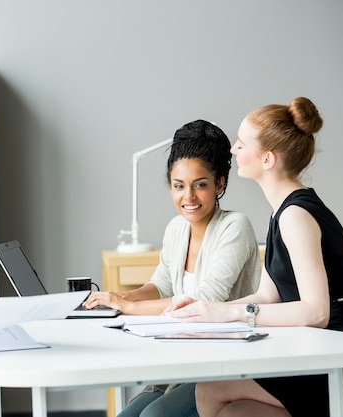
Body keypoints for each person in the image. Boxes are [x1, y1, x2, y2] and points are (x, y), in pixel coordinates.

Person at [168, 97, 343, 417]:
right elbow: (267, 295)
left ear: (267, 159)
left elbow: (316, 312)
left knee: (210, 388)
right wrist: (206, 310)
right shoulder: (283, 212)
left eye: (240, 143)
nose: (233, 150)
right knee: (234, 410)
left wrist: (231, 315)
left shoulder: (295, 215)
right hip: (321, 350)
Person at [84, 120, 261, 417]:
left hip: (225, 366)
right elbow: (161, 285)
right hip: (184, 361)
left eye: (200, 185)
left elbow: (203, 301)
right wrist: (118, 298)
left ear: (219, 184)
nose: (188, 197)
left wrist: (127, 308)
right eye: (179, 186)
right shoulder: (176, 229)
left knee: (154, 416)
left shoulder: (235, 226)